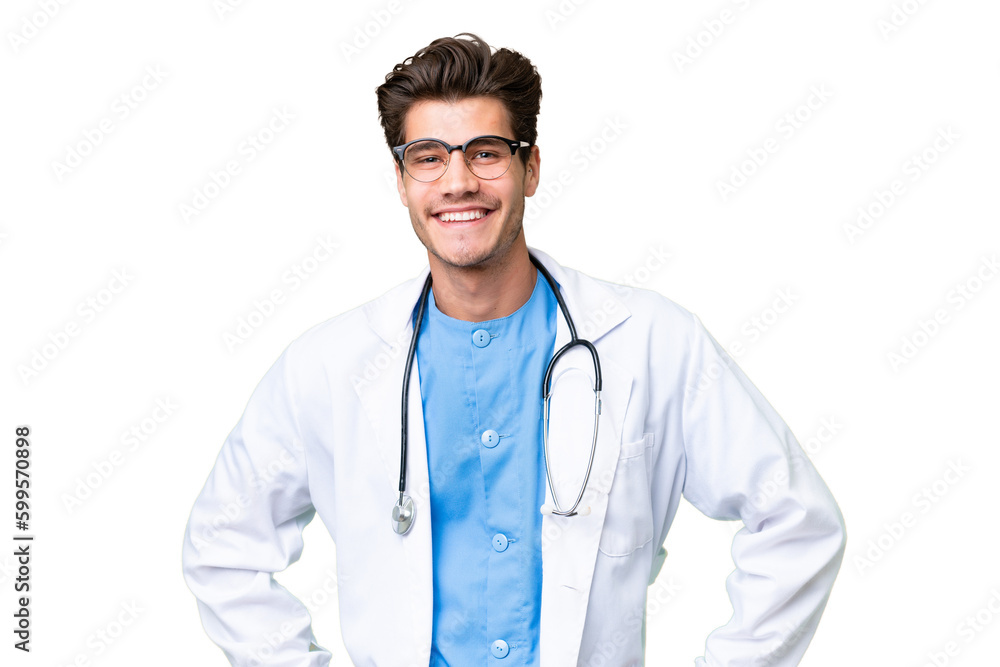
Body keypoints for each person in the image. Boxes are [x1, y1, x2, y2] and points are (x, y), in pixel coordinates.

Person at [181, 33, 846, 666]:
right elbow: (222, 545)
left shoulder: (651, 341)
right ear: (402, 178)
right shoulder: (328, 365)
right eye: (429, 156)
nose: (458, 182)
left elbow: (795, 519)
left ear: (530, 168)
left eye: (486, 152)